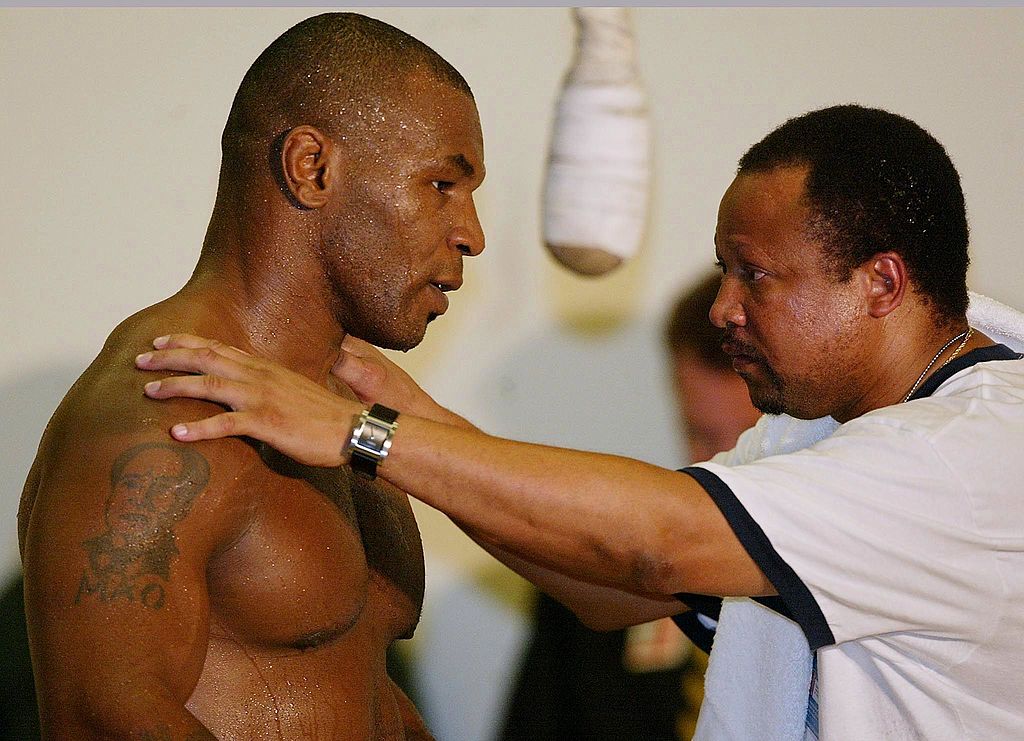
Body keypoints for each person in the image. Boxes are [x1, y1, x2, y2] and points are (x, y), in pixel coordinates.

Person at [135, 104, 1024, 738]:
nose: (725, 308)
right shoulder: (820, 429)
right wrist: (419, 419)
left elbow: (661, 542)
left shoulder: (968, 457)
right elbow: (617, 591)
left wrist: (362, 434)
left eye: (755, 274)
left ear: (881, 283)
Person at [18, 12, 484, 740]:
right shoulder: (161, 409)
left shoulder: (346, 413)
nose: (472, 234)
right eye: (442, 183)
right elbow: (100, 721)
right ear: (312, 167)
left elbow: (355, 688)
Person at [499, 272, 760, 741]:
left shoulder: (849, 573)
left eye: (754, 437)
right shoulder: (601, 569)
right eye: (700, 435)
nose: (724, 466)